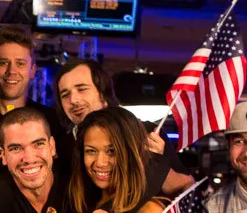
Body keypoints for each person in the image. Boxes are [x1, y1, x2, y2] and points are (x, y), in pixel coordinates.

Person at [54, 59, 193, 198]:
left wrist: (156, 164)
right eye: (65, 95)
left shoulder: (146, 132)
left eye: (82, 89)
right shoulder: (59, 146)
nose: (73, 100)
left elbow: (188, 187)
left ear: (103, 93)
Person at [0, 28, 73, 163]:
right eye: (4, 63)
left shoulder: (51, 120)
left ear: (32, 71)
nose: (11, 71)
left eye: (20, 63)